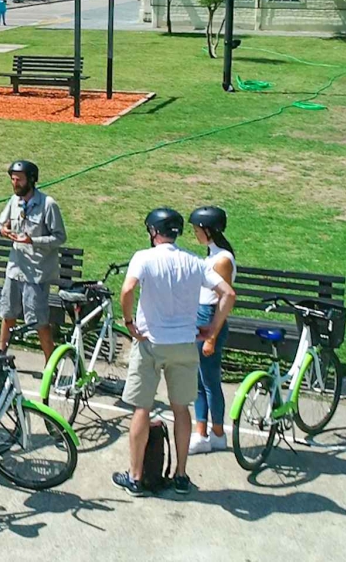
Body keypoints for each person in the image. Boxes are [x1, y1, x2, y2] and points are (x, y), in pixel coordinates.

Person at [113, 208, 237, 497]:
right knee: (181, 410)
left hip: (150, 344)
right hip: (184, 344)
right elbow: (228, 294)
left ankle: (135, 476)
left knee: (141, 409)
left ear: (154, 232)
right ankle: (181, 475)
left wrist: (130, 322)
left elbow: (127, 289)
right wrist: (212, 329)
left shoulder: (143, 257)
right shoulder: (194, 261)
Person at [0, 159, 66, 361]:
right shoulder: (13, 202)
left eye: (19, 180)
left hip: (36, 274)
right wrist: (3, 231)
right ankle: (1, 357)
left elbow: (59, 237)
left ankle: (50, 364)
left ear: (32, 180)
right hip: (15, 270)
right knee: (8, 314)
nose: (15, 183)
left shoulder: (48, 205)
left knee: (39, 322)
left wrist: (32, 240)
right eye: (13, 179)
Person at [188, 206, 237, 454]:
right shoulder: (212, 256)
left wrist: (212, 336)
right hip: (201, 315)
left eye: (197, 230)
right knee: (199, 380)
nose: (195, 234)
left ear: (209, 230)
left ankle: (217, 434)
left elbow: (224, 300)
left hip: (210, 318)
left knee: (209, 382)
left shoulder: (222, 260)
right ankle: (201, 432)